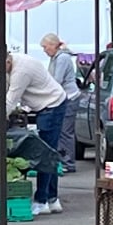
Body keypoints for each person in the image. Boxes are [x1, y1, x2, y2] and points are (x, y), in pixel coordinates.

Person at [0, 48, 67, 216]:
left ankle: (41, 201)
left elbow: (11, 100)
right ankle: (52, 199)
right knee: (50, 152)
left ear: (7, 61)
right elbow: (4, 91)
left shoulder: (21, 71)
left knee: (44, 154)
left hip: (51, 106)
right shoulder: (14, 62)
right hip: (50, 105)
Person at [41, 33, 79, 174]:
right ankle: (63, 160)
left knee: (65, 131)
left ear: (52, 45)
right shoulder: (57, 57)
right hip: (64, 97)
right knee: (63, 130)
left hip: (69, 97)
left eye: (45, 47)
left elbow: (57, 80)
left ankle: (68, 162)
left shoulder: (62, 58)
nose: (44, 50)